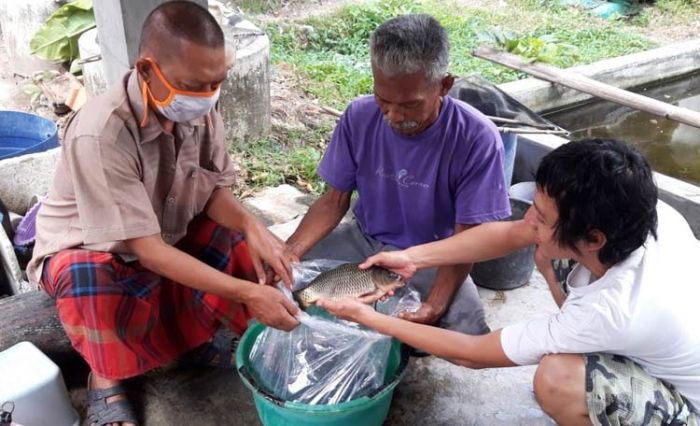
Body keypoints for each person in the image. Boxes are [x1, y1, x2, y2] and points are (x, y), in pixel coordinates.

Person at [26, 3, 299, 425]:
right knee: (88, 274)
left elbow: (210, 190)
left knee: (235, 237)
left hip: (160, 230)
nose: (207, 96)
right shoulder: (103, 131)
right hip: (92, 246)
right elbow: (146, 251)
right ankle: (106, 377)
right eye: (195, 84)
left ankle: (192, 339)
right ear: (148, 69)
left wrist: (250, 224)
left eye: (216, 82)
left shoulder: (201, 106)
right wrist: (244, 293)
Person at [319, 138, 700, 425]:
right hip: (662, 339)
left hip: (690, 406)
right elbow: (509, 234)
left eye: (543, 215)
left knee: (557, 379)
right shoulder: (647, 215)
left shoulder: (609, 310)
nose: (529, 217)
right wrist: (411, 257)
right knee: (548, 253)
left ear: (594, 238)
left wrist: (366, 316)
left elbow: (473, 353)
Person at [286, 14, 511, 337]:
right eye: (383, 100)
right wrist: (290, 252)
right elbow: (334, 201)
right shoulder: (358, 116)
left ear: (444, 85)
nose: (393, 115)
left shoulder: (476, 138)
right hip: (362, 243)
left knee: (466, 332)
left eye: (409, 105)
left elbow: (468, 237)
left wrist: (434, 305)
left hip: (432, 255)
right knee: (288, 285)